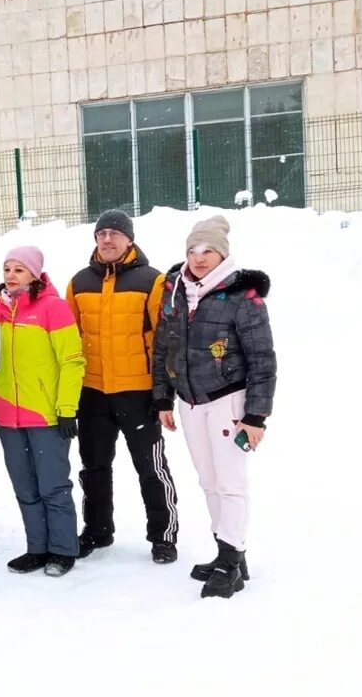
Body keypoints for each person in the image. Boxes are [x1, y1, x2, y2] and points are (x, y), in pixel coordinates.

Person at [152, 215, 276, 600]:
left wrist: (255, 416)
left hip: (229, 401)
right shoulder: (174, 289)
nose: (199, 258)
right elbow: (162, 346)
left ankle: (230, 561)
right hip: (191, 401)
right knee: (208, 481)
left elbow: (262, 359)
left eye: (207, 251)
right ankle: (229, 551)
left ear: (222, 254)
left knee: (230, 482)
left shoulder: (243, 296)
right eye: (192, 250)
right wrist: (162, 397)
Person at [64, 209, 179, 563]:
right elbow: (69, 340)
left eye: (115, 233)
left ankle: (163, 535)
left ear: (130, 239)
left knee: (151, 467)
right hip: (93, 392)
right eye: (102, 234)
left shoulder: (152, 281)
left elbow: (165, 341)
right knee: (94, 467)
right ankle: (98, 531)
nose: (108, 239)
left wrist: (164, 394)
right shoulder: (79, 282)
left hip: (138, 391)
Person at [0, 246, 86, 577]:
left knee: (53, 486)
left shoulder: (53, 308)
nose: (11, 276)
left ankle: (63, 549)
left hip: (46, 415)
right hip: (8, 416)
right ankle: (37, 548)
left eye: (19, 270)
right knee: (24, 486)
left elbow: (72, 361)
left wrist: (67, 408)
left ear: (35, 274)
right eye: (7, 269)